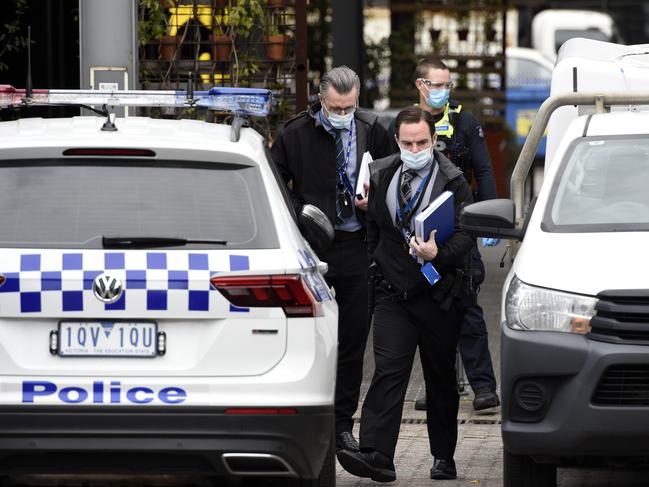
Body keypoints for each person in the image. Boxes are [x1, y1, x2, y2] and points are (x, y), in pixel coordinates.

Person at [337, 105, 474, 482]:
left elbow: (466, 233)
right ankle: (377, 454)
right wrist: (376, 264)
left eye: (423, 142)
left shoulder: (453, 179)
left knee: (440, 377)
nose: (416, 148)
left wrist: (439, 255)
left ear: (434, 141)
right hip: (392, 293)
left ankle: (443, 456)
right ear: (397, 141)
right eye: (408, 143)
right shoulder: (381, 174)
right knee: (388, 371)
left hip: (437, 291)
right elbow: (375, 228)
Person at [270, 66, 391, 453]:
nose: (342, 114)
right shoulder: (295, 134)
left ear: (357, 100)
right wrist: (303, 213)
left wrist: (376, 204)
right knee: (312, 338)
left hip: (358, 246)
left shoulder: (372, 128)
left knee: (353, 341)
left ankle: (342, 426)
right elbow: (275, 186)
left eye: (349, 107)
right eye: (335, 107)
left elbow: (392, 178)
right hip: (313, 249)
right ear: (321, 100)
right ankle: (307, 420)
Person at [388, 57, 500, 412]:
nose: (443, 92)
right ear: (421, 85)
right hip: (419, 232)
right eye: (437, 85)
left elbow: (483, 170)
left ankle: (482, 386)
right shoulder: (408, 124)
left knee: (466, 306)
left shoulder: (465, 122)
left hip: (460, 230)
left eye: (447, 85)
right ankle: (441, 385)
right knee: (429, 309)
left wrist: (490, 219)